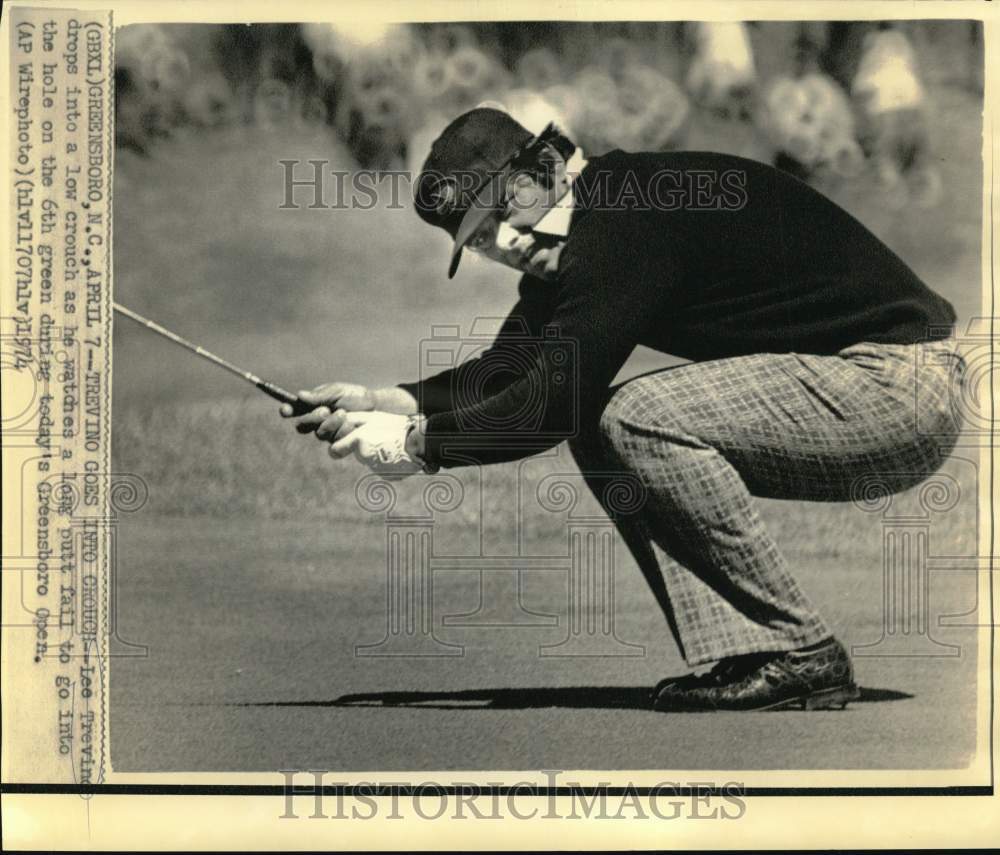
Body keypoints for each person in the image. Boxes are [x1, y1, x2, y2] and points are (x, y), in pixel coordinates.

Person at [281, 108, 964, 712]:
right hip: (871, 387)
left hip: (896, 388)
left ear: (545, 165)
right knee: (603, 423)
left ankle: (799, 651)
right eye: (479, 238)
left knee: (631, 416)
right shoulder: (595, 220)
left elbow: (548, 406)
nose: (504, 243)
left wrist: (415, 445)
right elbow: (507, 372)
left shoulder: (622, 217)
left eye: (501, 211)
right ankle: (767, 652)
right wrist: (384, 401)